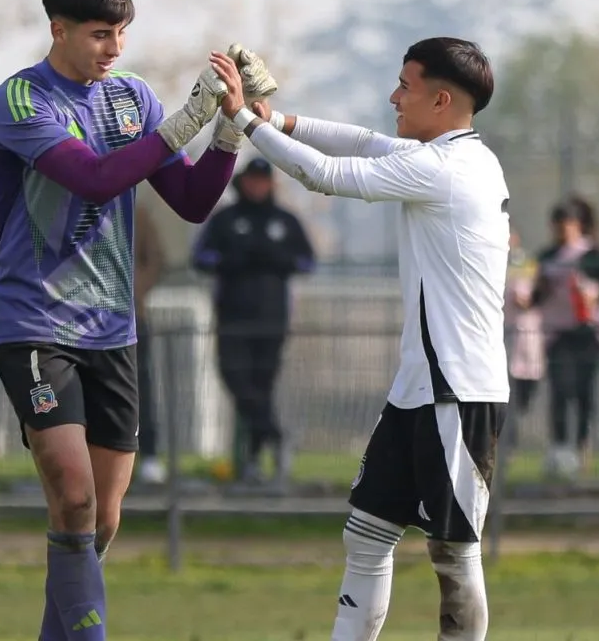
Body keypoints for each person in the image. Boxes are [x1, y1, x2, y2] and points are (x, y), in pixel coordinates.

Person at [0, 0, 274, 640]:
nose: (115, 48)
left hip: (113, 330)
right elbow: (94, 178)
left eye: (121, 34)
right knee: (74, 496)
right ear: (58, 30)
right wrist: (187, 119)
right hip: (35, 324)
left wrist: (229, 125)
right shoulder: (21, 101)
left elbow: (195, 201)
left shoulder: (131, 99)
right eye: (100, 34)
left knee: (99, 521)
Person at [226, 38, 509, 641]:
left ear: (440, 98)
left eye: (404, 86)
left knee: (454, 552)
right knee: (368, 532)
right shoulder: (453, 155)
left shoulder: (444, 168)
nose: (393, 97)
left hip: (458, 387)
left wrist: (242, 119)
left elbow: (324, 173)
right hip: (419, 386)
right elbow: (358, 141)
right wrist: (273, 116)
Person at [191, 156, 315, 485]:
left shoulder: (285, 221)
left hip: (272, 319)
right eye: (252, 181)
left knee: (263, 385)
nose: (257, 187)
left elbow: (307, 261)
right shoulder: (225, 220)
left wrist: (278, 259)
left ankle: (255, 460)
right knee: (235, 378)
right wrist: (231, 261)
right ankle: (272, 433)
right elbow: (201, 257)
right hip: (232, 316)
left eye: (263, 181)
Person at [532, 200, 599, 476]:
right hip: (558, 334)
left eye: (568, 223)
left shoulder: (592, 255)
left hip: (588, 334)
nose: (562, 229)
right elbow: (536, 296)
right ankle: (558, 450)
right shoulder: (547, 257)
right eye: (558, 224)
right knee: (560, 390)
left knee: (583, 393)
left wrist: (595, 294)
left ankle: (582, 448)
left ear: (578, 225)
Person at [133, 204, 167, 485]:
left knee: (139, 387)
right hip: (78, 321)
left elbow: (154, 261)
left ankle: (149, 455)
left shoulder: (138, 214)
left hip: (129, 317)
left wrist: (127, 291)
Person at [503, 228, 543, 448]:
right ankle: (507, 441)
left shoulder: (527, 263)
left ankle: (514, 442)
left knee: (523, 393)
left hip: (527, 336)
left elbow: (538, 293)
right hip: (503, 334)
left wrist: (529, 300)